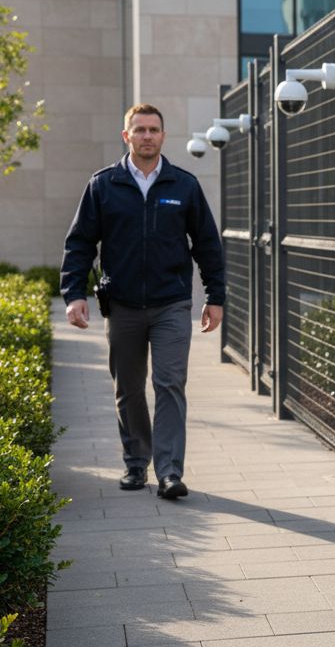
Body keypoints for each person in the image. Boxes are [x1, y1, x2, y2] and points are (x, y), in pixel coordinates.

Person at [60, 103, 225, 500]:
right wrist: (74, 294)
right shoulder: (103, 185)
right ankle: (137, 464)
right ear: (126, 136)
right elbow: (80, 242)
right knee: (129, 388)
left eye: (154, 130)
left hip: (171, 304)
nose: (147, 136)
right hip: (123, 305)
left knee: (169, 384)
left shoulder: (183, 186)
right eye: (140, 130)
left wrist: (215, 298)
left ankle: (169, 472)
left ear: (163, 136)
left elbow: (207, 246)